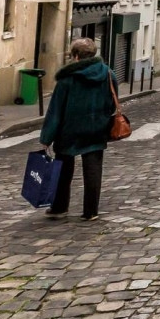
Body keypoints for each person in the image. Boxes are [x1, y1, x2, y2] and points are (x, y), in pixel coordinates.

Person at [40, 38, 118, 222]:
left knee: (64, 170)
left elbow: (56, 110)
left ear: (75, 56)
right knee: (93, 169)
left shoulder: (67, 78)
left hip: (69, 130)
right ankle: (91, 211)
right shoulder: (108, 74)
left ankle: (59, 207)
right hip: (96, 128)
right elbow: (112, 101)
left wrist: (46, 137)